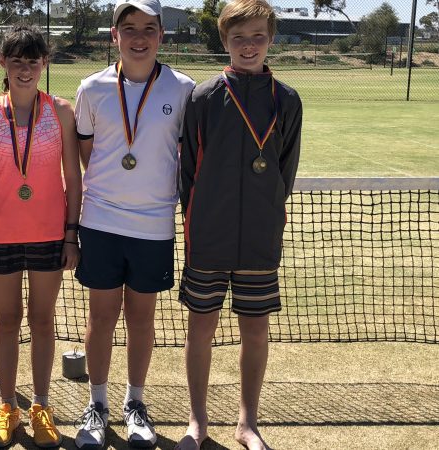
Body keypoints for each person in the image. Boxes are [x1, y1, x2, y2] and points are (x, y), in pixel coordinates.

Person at [176, 1, 303, 449]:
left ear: (271, 39)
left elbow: (285, 171)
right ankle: (197, 422)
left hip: (258, 240)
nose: (248, 46)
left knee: (255, 331)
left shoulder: (287, 99)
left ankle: (248, 424)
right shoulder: (203, 97)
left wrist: (265, 213)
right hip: (208, 237)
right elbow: (188, 172)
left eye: (257, 37)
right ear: (224, 41)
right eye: (238, 38)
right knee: (201, 329)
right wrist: (203, 216)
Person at [72, 0, 195, 447]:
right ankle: (97, 404)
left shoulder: (184, 89)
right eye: (129, 28)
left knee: (142, 319)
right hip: (101, 221)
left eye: (148, 28)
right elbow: (87, 154)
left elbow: (188, 154)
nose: (138, 37)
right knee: (101, 317)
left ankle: (135, 403)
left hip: (154, 225)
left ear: (161, 35)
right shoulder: (92, 88)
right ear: (114, 35)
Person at [0, 24, 82, 448]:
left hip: (50, 235)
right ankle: (7, 407)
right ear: (2, 62)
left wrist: (70, 235)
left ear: (44, 63)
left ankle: (40, 406)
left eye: (33, 61)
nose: (24, 69)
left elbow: (73, 179)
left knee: (41, 320)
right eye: (16, 60)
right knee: (6, 322)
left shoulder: (62, 112)